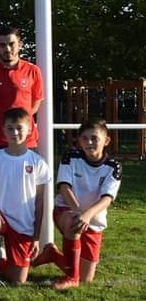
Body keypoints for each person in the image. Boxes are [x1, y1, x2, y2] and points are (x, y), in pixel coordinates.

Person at [32, 119, 120, 289]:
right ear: (79, 140)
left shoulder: (113, 167)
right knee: (74, 223)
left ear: (106, 141)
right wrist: (79, 213)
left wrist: (87, 215)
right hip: (67, 210)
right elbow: (64, 187)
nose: (89, 142)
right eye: (84, 138)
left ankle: (52, 254)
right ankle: (71, 277)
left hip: (93, 220)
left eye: (94, 138)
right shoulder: (71, 157)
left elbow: (107, 199)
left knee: (86, 278)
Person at [0, 107, 52, 292]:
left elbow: (40, 202)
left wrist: (36, 237)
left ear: (30, 129)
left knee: (18, 280)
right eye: (10, 128)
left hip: (22, 222)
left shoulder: (38, 163)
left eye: (19, 128)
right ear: (3, 130)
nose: (15, 132)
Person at [0, 26, 44, 153]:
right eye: (2, 45)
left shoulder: (33, 71)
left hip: (26, 141)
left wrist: (20, 122)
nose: (7, 49)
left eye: (11, 44)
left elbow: (35, 103)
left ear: (20, 45)